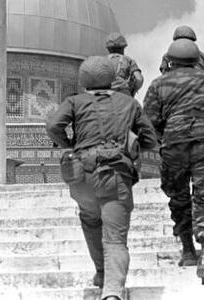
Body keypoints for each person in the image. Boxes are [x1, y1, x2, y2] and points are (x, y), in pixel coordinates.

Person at [46, 56, 159, 300]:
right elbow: (151, 140)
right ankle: (112, 292)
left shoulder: (74, 101)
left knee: (90, 220)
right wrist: (132, 146)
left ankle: (100, 271)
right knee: (116, 239)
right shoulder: (129, 104)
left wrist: (70, 145)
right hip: (115, 175)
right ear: (112, 77)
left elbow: (54, 126)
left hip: (81, 177)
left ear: (83, 80)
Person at [143, 39, 204, 285]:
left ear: (170, 60)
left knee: (179, 197)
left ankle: (187, 250)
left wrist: (165, 138)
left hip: (174, 145)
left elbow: (149, 122)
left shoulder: (158, 84)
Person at [104, 32, 143, 96]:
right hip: (123, 95)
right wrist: (133, 91)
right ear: (123, 47)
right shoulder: (128, 60)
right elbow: (139, 79)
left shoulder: (102, 61)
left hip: (105, 97)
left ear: (108, 48)